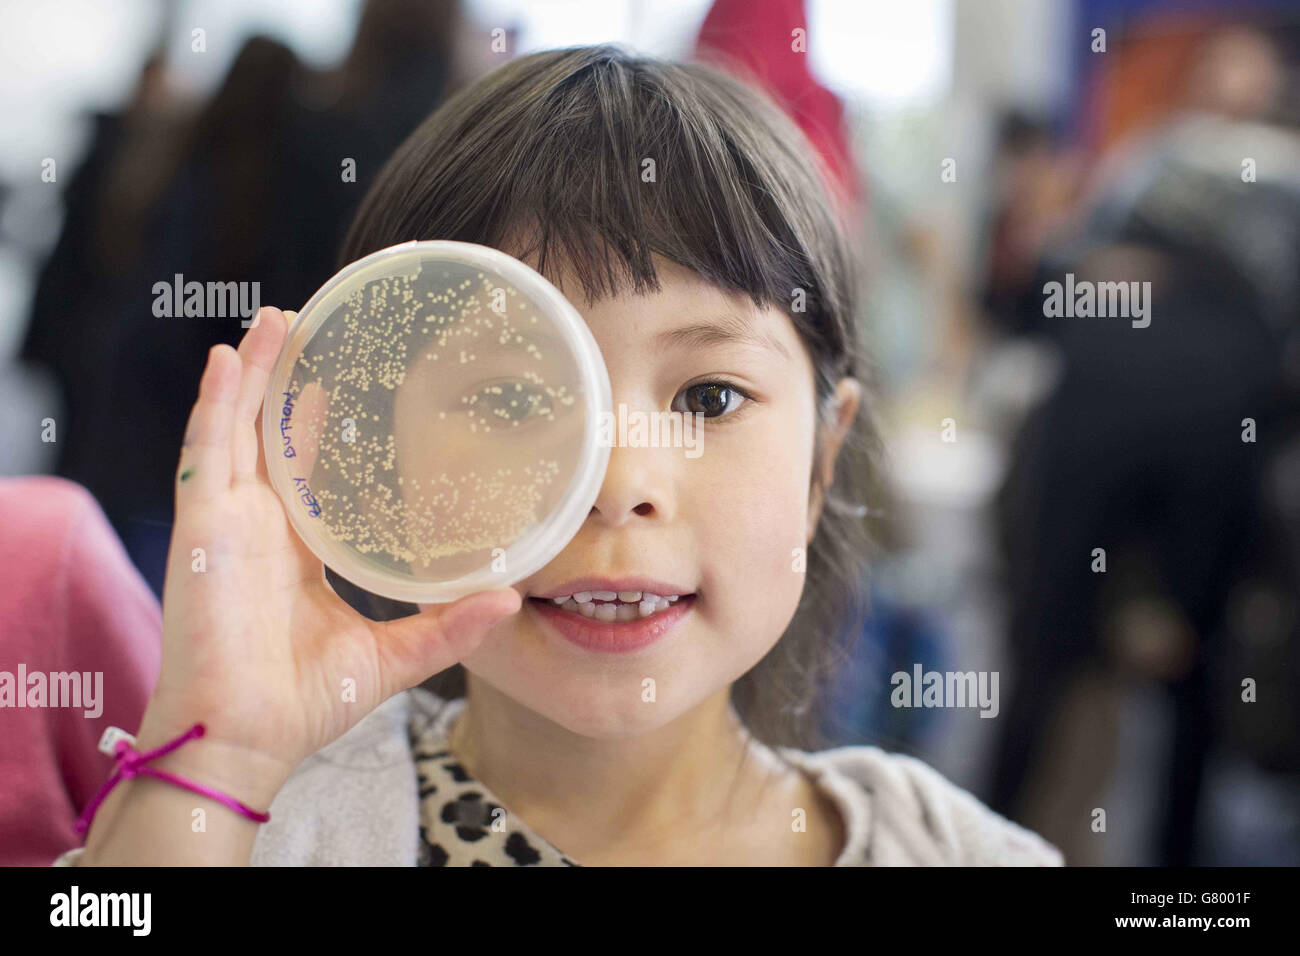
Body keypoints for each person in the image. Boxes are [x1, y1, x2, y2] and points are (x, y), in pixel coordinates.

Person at [53, 47, 1062, 866]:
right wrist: (221, 756)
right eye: (507, 397)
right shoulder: (257, 827)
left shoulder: (957, 852)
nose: (618, 485)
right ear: (387, 456)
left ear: (819, 460)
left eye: (709, 396)